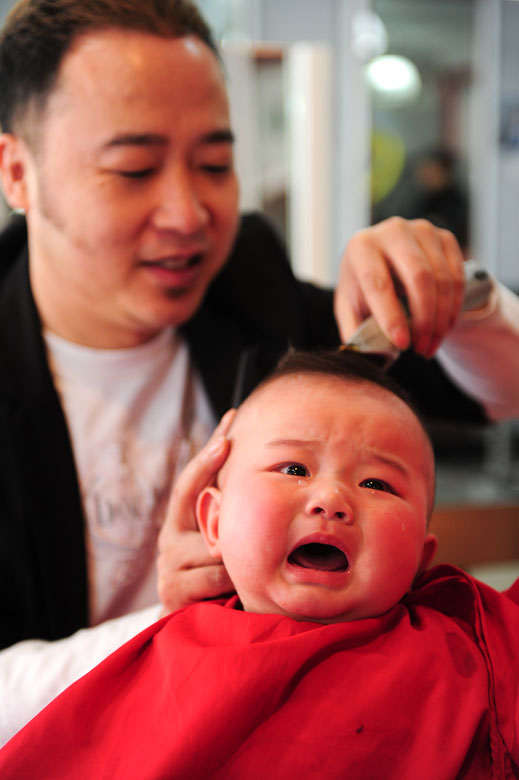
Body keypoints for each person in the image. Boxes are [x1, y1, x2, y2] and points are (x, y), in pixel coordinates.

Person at [0, 0, 518, 698]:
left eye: (214, 164)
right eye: (133, 170)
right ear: (17, 173)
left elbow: (494, 393)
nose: (189, 215)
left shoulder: (249, 285)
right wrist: (176, 627)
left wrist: (459, 295)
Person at [0, 349, 517, 779]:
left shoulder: (472, 640)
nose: (332, 499)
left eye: (377, 483)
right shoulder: (157, 658)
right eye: (293, 468)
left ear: (422, 560)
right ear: (214, 523)